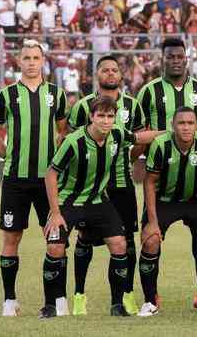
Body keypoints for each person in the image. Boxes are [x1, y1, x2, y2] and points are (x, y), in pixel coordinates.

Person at [39, 95, 161, 319]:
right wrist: (55, 213)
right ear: (91, 117)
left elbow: (138, 136)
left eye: (110, 116)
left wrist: (168, 133)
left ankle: (116, 305)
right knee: (55, 248)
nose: (106, 121)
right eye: (101, 116)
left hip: (98, 200)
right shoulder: (73, 141)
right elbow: (51, 174)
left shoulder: (116, 134)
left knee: (119, 244)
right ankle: (49, 305)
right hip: (69, 201)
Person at [0, 40, 68, 317]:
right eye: (27, 58)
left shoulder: (57, 94)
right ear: (18, 62)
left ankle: (56, 300)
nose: (32, 62)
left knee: (56, 240)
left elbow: (63, 132)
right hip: (16, 181)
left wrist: (56, 161)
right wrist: (9, 156)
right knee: (12, 236)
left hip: (48, 181)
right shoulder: (6, 95)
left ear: (43, 61)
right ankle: (9, 300)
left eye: (36, 57)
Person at [66, 55, 146, 315]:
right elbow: (71, 141)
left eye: (114, 70)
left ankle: (125, 295)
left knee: (127, 242)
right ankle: (79, 295)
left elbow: (140, 139)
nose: (110, 74)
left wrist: (121, 157)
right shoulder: (82, 106)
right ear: (96, 74)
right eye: (105, 70)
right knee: (84, 239)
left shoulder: (133, 106)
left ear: (121, 75)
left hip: (121, 185)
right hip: (89, 188)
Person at [137, 38, 197, 310]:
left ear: (186, 58)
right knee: (151, 239)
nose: (176, 60)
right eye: (170, 56)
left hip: (196, 183)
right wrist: (167, 135)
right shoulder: (149, 92)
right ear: (162, 59)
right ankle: (151, 298)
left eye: (180, 56)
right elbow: (137, 134)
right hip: (160, 184)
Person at [138, 107, 197, 317]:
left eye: (190, 123)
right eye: (181, 123)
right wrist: (152, 221)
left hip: (196, 200)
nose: (186, 127)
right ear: (172, 126)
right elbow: (149, 183)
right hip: (165, 201)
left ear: (196, 125)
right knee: (150, 240)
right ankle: (150, 301)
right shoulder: (160, 144)